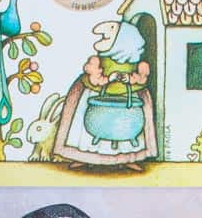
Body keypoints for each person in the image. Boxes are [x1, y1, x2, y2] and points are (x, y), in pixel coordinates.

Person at [53, 19, 158, 169]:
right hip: (95, 92)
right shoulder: (97, 60)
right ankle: (84, 155)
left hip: (128, 95)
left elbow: (141, 79)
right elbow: (94, 78)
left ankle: (128, 157)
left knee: (125, 124)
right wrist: (108, 78)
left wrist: (128, 78)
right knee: (89, 121)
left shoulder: (136, 63)